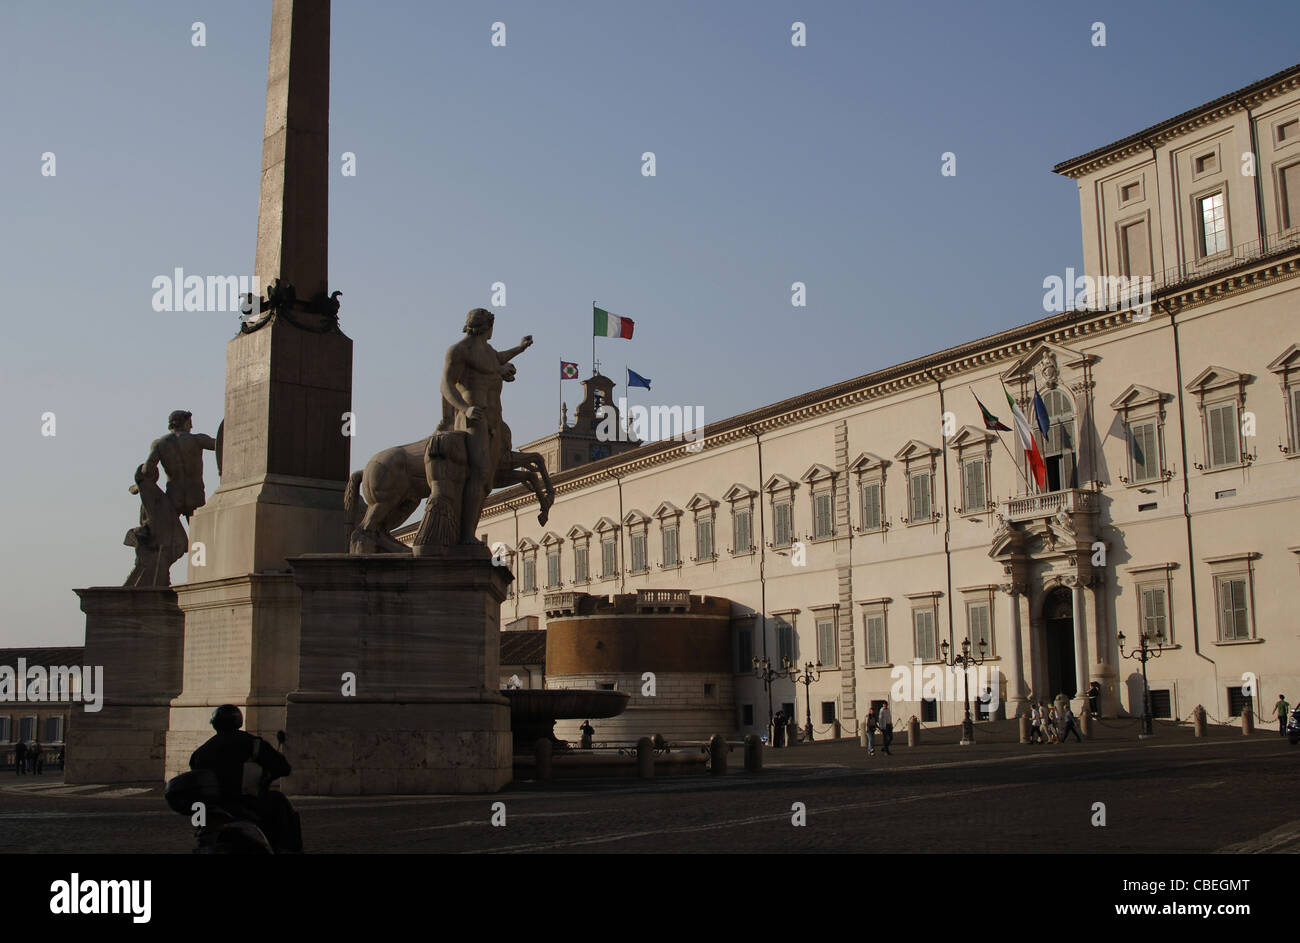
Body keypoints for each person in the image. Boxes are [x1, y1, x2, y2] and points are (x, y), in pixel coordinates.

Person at [189, 704, 302, 853]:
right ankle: (286, 848)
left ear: (214, 723)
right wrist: (267, 776)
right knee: (279, 801)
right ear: (238, 722)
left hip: (216, 805)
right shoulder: (253, 743)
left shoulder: (200, 752)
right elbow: (283, 767)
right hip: (247, 802)